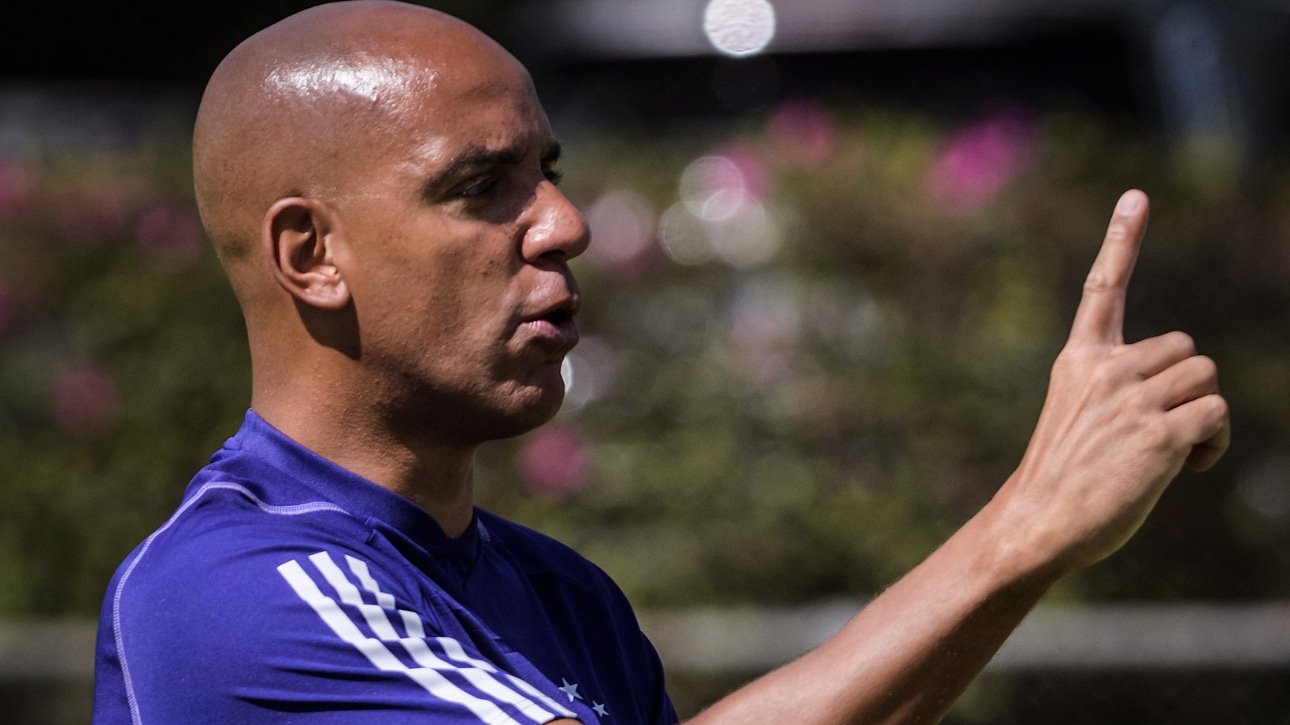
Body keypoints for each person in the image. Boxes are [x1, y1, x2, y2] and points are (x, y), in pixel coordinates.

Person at [91, 1, 1230, 723]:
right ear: (312, 252)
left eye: (548, 170)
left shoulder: (560, 595)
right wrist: (1023, 527)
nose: (563, 223)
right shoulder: (230, 595)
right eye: (482, 186)